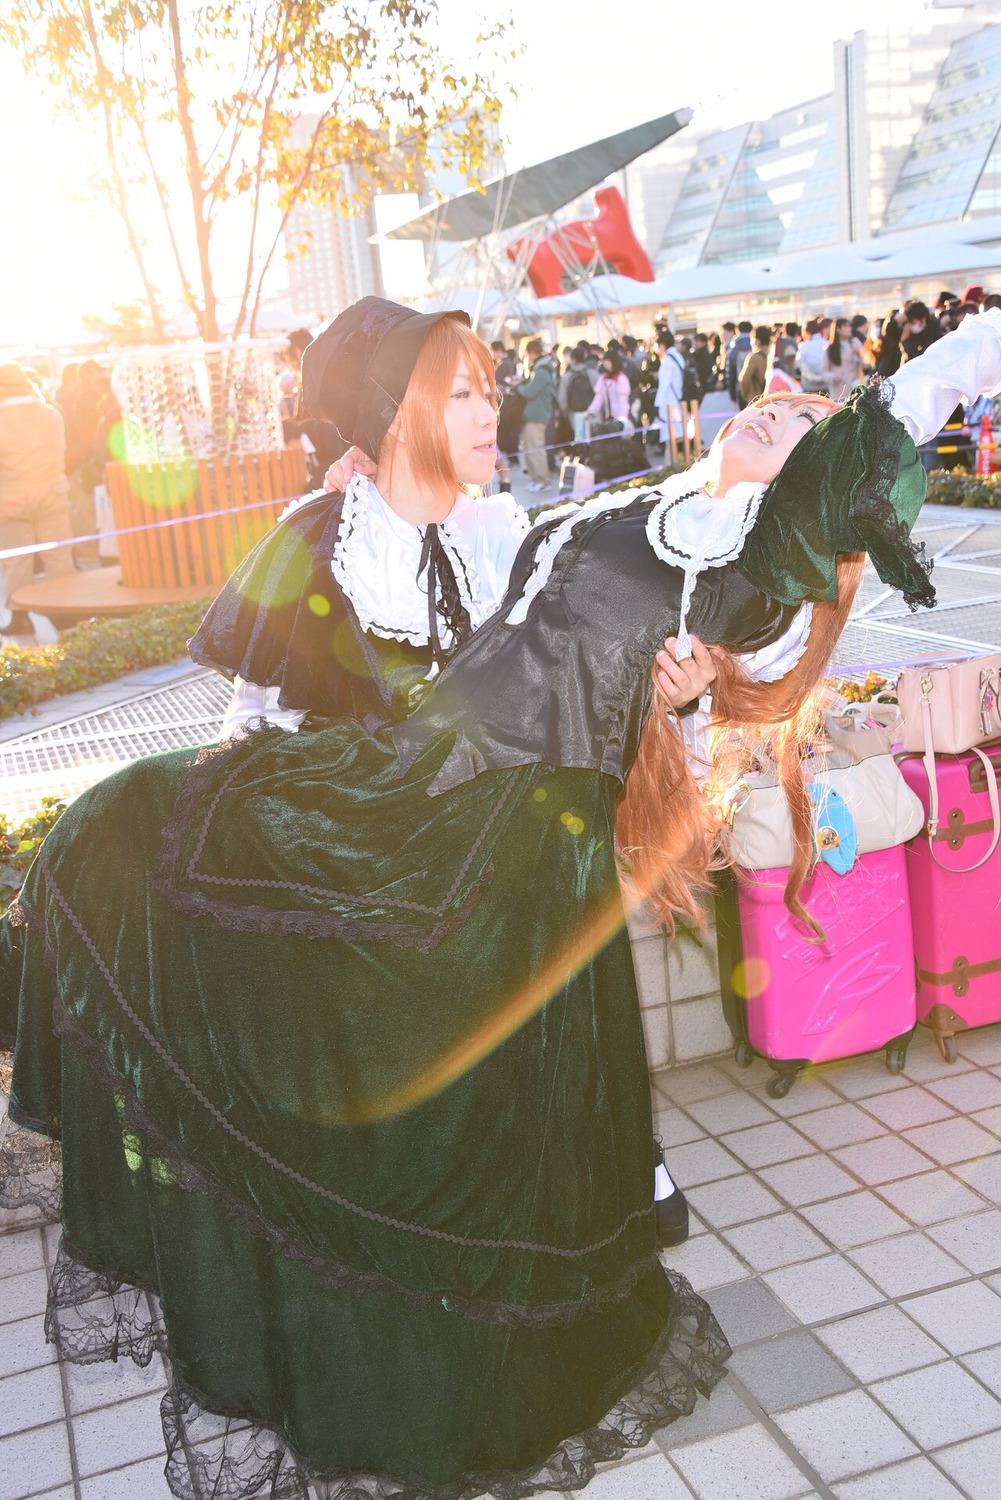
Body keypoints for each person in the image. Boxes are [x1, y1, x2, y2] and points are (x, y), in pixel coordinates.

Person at [5, 312, 1001, 1500]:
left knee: (457, 1162)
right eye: (462, 395)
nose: (767, 409)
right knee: (125, 846)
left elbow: (842, 475)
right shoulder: (614, 508)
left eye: (793, 421)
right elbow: (541, 649)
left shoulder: (738, 540)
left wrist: (971, 346)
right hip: (407, 814)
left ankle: (443, 1395)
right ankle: (372, 1366)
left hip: (489, 854)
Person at [0, 362, 75, 636]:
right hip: (52, 492)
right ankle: (65, 614)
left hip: (12, 498)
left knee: (17, 560)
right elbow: (62, 450)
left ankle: (20, 617)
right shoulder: (50, 413)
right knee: (58, 556)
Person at [516, 338, 555, 493]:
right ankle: (536, 479)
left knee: (535, 449)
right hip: (532, 415)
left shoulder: (542, 371)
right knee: (529, 448)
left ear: (532, 353)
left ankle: (543, 480)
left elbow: (529, 392)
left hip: (537, 415)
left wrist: (518, 387)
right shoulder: (539, 368)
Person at [820, 317, 864, 401]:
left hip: (856, 386)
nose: (849, 329)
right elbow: (824, 372)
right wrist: (835, 377)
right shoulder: (830, 348)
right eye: (846, 326)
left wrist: (859, 355)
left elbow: (866, 364)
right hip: (839, 390)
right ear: (838, 329)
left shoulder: (855, 343)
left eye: (850, 326)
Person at [739, 326, 772, 404]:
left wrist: (745, 396)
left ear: (757, 340)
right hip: (772, 399)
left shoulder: (754, 358)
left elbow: (745, 379)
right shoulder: (773, 355)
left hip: (756, 399)